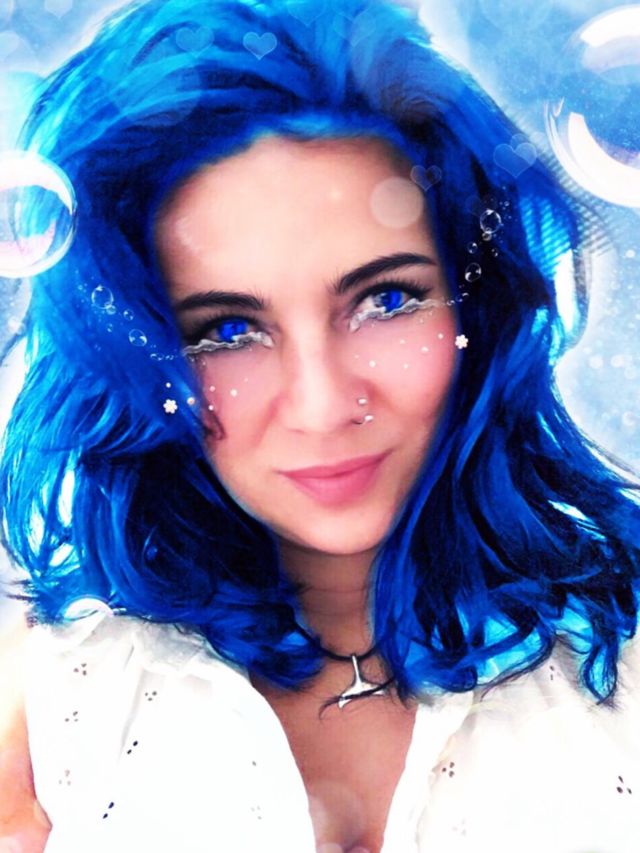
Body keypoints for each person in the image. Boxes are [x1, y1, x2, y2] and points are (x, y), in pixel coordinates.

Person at [1, 0, 640, 850]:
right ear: (141, 352)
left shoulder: (623, 670)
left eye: (386, 299)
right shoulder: (50, 701)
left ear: (475, 305)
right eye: (229, 329)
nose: (323, 403)